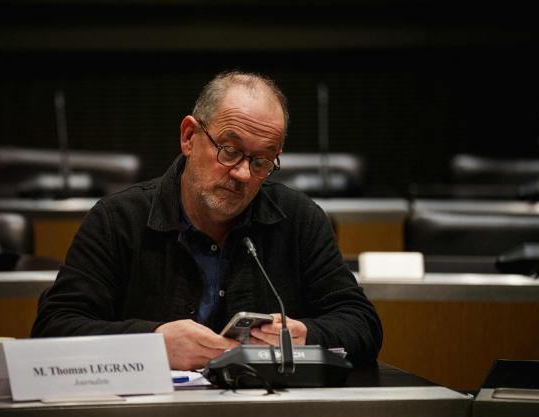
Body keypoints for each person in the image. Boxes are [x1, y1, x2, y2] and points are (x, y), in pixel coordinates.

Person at [32, 71, 382, 370]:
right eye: (229, 150)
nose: (243, 174)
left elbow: (361, 324)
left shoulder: (300, 219)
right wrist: (152, 343)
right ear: (189, 137)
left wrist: (305, 334)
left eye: (261, 161)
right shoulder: (117, 220)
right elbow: (53, 328)